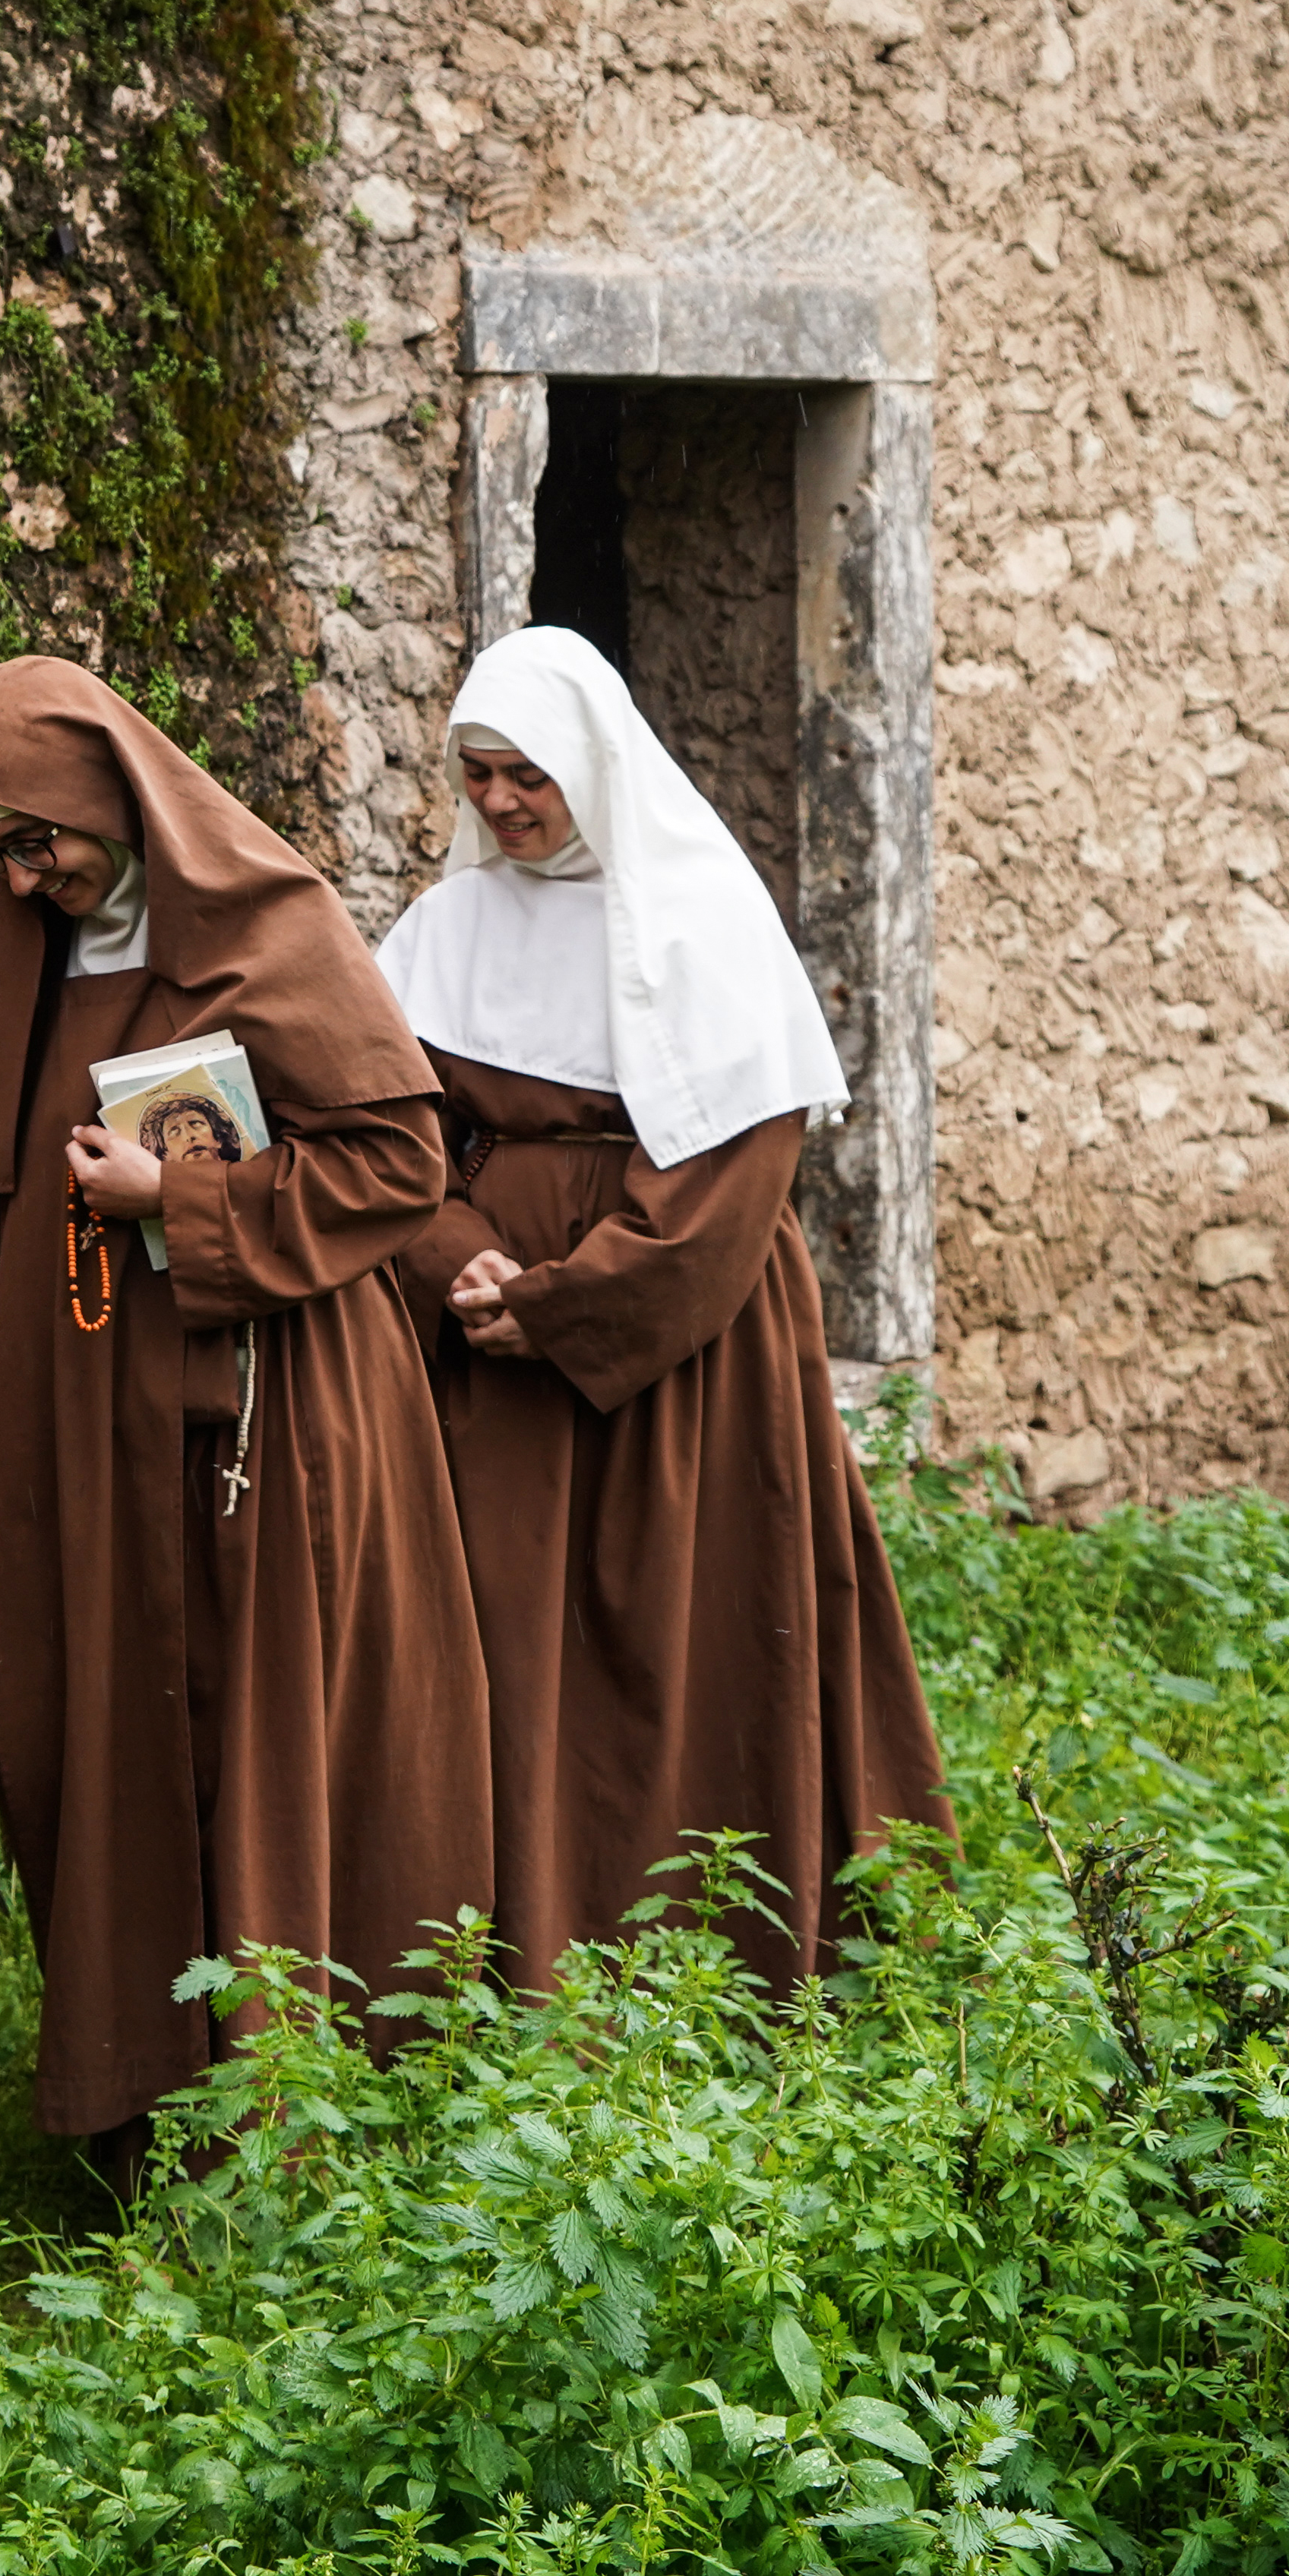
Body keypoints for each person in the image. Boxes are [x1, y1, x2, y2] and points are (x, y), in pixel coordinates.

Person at [0, 655, 491, 2168]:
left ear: (111, 803)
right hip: (96, 1412)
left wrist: (172, 1195)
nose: (21, 877)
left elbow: (396, 1165)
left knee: (256, 1730)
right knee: (104, 1725)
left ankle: (303, 2093)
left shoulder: (271, 928)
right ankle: (140, 2085)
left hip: (273, 1411)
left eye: (37, 840)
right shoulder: (25, 953)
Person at [371, 626, 953, 1994]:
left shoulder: (698, 921)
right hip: (478, 1350)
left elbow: (731, 1184)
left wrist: (571, 1307)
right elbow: (383, 1133)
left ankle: (702, 1962)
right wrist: (456, 1261)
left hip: (681, 1361)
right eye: (477, 778)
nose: (503, 804)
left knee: (679, 1648)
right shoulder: (437, 932)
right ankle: (505, 1958)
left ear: (592, 768)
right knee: (501, 1646)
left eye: (529, 775)